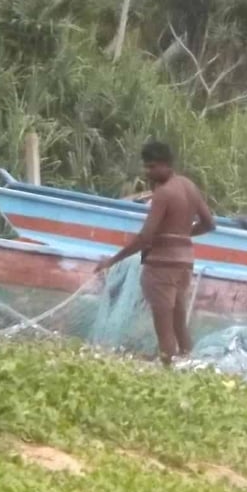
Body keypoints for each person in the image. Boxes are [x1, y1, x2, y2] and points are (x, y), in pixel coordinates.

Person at [95, 141, 216, 366]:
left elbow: (146, 237)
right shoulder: (188, 186)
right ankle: (188, 364)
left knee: (164, 328)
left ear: (165, 165)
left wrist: (112, 260)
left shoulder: (164, 193)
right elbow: (209, 224)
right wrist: (182, 235)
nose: (148, 172)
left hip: (161, 266)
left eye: (151, 167)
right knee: (180, 324)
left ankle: (168, 370)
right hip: (184, 264)